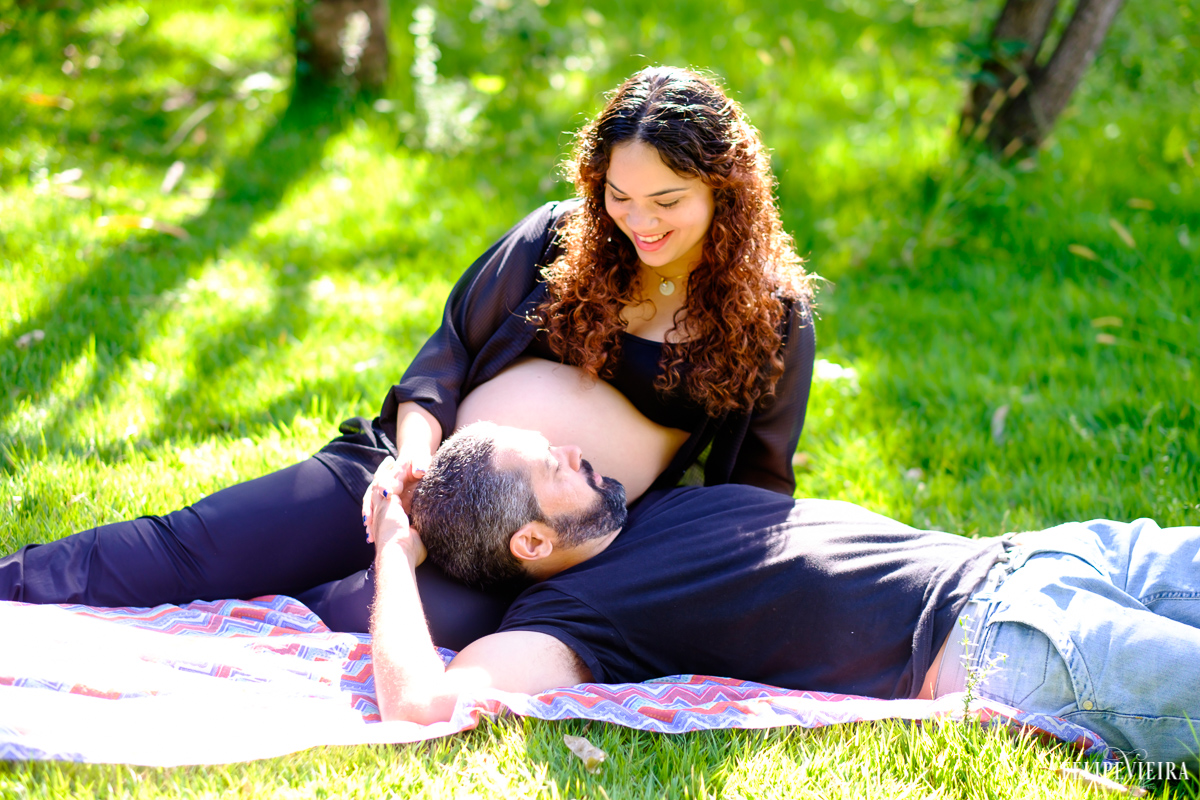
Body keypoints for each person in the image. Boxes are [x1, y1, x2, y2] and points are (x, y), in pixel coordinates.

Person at [0, 66, 815, 648]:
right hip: (413, 463)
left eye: (668, 201)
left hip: (532, 545)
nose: (639, 221)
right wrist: (410, 470)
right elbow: (448, 354)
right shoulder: (561, 237)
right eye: (620, 195)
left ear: (727, 191)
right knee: (194, 547)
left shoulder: (771, 319)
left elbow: (754, 488)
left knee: (355, 627)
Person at [369, 422, 1200, 766]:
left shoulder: (652, 503)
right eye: (554, 467)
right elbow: (423, 705)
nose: (576, 453)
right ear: (531, 544)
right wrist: (396, 557)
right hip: (1007, 637)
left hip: (1058, 552)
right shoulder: (568, 617)